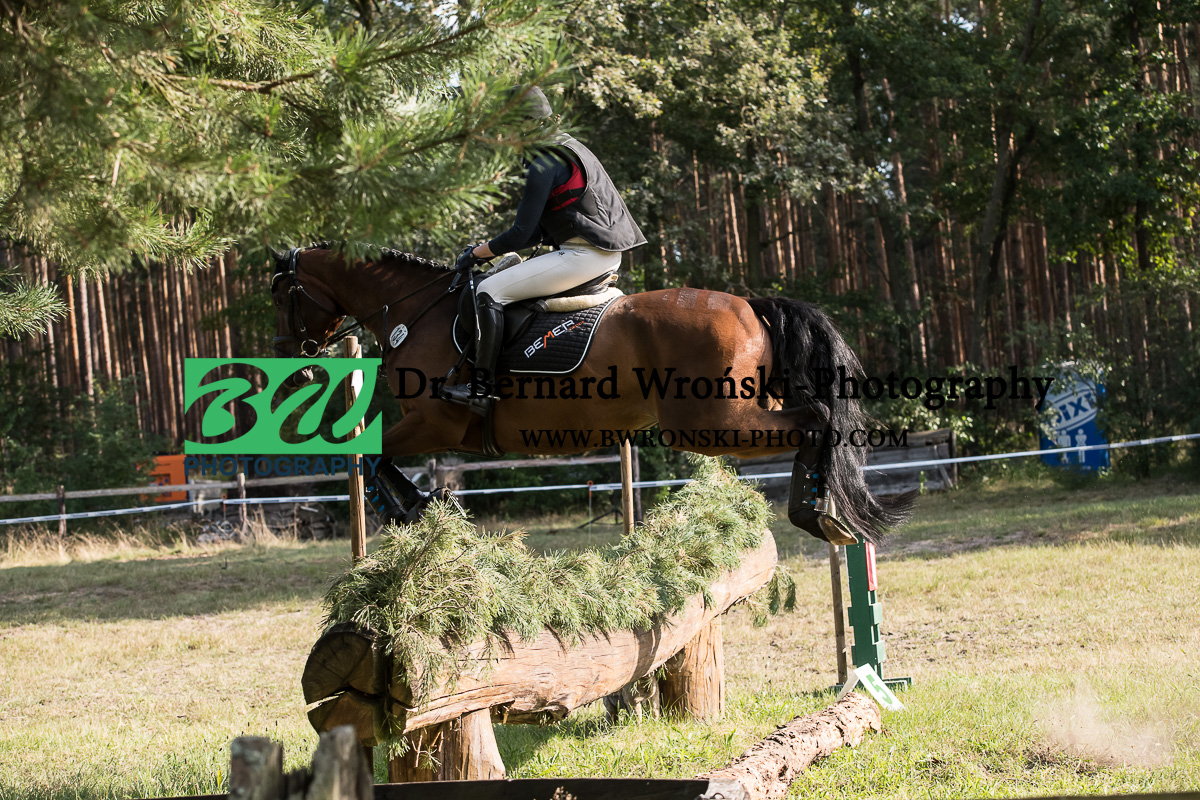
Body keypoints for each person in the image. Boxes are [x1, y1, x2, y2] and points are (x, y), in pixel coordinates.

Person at [441, 86, 647, 415]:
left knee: (488, 290)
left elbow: (521, 233)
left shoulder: (544, 161)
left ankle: (481, 388)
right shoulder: (569, 147)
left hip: (585, 255)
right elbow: (536, 232)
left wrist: (477, 253)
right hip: (600, 252)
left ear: (525, 125)